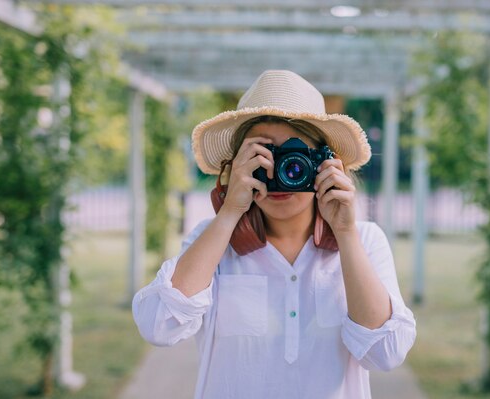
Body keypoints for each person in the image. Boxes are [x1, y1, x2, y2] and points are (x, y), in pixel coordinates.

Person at [132, 70, 416, 399]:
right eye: (261, 157)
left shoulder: (364, 241)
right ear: (237, 166)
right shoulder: (213, 244)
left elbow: (385, 354)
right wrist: (229, 214)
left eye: (294, 158)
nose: (279, 172)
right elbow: (159, 326)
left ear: (325, 164)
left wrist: (345, 232)